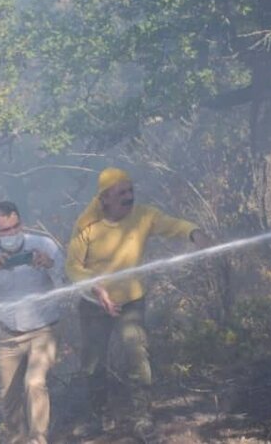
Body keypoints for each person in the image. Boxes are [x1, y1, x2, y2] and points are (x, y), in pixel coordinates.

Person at [65, 167, 213, 439]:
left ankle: (142, 418)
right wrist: (96, 287)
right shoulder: (87, 225)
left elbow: (173, 225)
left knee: (138, 355)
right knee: (93, 363)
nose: (129, 196)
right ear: (105, 198)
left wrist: (194, 233)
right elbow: (72, 267)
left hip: (131, 301)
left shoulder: (144, 215)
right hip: (94, 304)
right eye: (121, 192)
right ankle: (98, 418)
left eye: (130, 190)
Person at [0, 201, 66, 444]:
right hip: (8, 336)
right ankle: (17, 439)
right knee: (9, 400)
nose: (12, 233)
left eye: (16, 226)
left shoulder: (43, 245)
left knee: (35, 383)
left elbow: (68, 284)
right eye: (5, 230)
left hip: (45, 329)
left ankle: (38, 439)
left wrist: (49, 265)